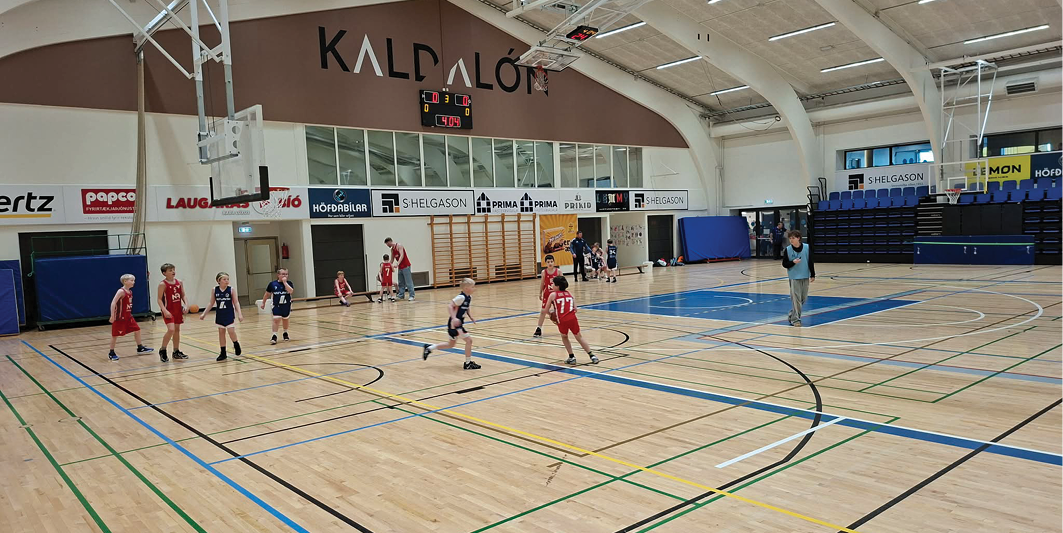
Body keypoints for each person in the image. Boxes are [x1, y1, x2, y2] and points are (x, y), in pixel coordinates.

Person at [422, 278, 480, 370]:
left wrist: (471, 316)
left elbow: (466, 307)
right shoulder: (460, 297)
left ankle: (430, 348)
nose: (474, 288)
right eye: (472, 287)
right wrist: (454, 318)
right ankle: (468, 363)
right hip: (455, 325)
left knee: (451, 344)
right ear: (466, 288)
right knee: (469, 341)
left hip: (456, 324)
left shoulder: (469, 297)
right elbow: (450, 305)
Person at [544, 276, 598, 365]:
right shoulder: (569, 293)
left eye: (553, 284)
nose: (552, 285)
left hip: (562, 320)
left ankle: (571, 357)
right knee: (579, 337)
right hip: (572, 318)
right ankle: (592, 355)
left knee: (564, 337)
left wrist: (552, 315)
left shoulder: (553, 295)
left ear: (557, 286)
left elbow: (546, 310)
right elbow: (575, 309)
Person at [107, 274, 153, 361]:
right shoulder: (121, 291)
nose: (133, 282)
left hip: (128, 316)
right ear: (125, 281)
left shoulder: (130, 292)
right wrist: (112, 315)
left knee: (137, 329)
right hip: (120, 317)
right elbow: (113, 303)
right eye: (131, 280)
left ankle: (140, 347)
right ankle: (111, 352)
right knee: (115, 335)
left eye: (134, 280)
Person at [199, 272, 243, 361]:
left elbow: (236, 302)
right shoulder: (215, 290)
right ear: (219, 281)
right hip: (220, 314)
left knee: (231, 331)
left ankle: (236, 344)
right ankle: (223, 352)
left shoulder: (231, 289)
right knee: (221, 332)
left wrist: (240, 314)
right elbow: (211, 303)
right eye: (224, 279)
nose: (227, 281)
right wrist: (204, 313)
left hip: (229, 313)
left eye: (228, 279)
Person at [781, 230, 815, 327]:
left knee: (803, 298)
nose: (791, 240)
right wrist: (793, 262)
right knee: (796, 299)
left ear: (798, 238)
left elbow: (810, 261)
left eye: (793, 238)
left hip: (805, 275)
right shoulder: (788, 250)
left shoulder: (806, 247)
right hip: (794, 277)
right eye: (790, 238)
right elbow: (784, 264)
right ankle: (796, 320)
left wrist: (812, 274)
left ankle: (792, 314)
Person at [157, 263, 188, 362]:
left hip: (177, 309)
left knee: (177, 330)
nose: (173, 272)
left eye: (173, 270)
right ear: (164, 273)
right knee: (171, 330)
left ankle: (176, 351)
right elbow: (159, 299)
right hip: (168, 310)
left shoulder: (179, 282)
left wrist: (186, 304)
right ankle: (163, 350)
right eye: (170, 270)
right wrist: (164, 310)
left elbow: (183, 295)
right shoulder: (162, 284)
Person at [260, 268, 294, 344]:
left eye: (286, 274)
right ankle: (274, 335)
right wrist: (263, 303)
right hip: (276, 305)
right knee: (276, 319)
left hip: (286, 305)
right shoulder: (272, 284)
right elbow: (267, 294)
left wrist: (285, 283)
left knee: (285, 319)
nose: (285, 276)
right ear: (278, 275)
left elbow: (291, 291)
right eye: (283, 274)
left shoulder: (289, 283)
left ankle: (285, 332)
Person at [533, 254, 561, 337]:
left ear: (554, 262)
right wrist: (540, 293)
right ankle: (539, 328)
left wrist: (563, 293)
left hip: (556, 294)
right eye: (548, 262)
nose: (550, 263)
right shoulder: (544, 272)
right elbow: (542, 283)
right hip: (547, 294)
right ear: (546, 263)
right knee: (543, 311)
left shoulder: (558, 272)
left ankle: (562, 325)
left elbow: (563, 283)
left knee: (559, 312)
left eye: (551, 262)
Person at [384, 237, 414, 301]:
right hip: (400, 267)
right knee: (401, 282)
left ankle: (412, 295)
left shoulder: (399, 246)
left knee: (408, 282)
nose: (387, 245)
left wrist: (397, 263)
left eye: (387, 244)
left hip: (406, 266)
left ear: (390, 242)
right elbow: (392, 260)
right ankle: (401, 295)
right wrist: (387, 266)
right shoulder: (392, 250)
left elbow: (402, 255)